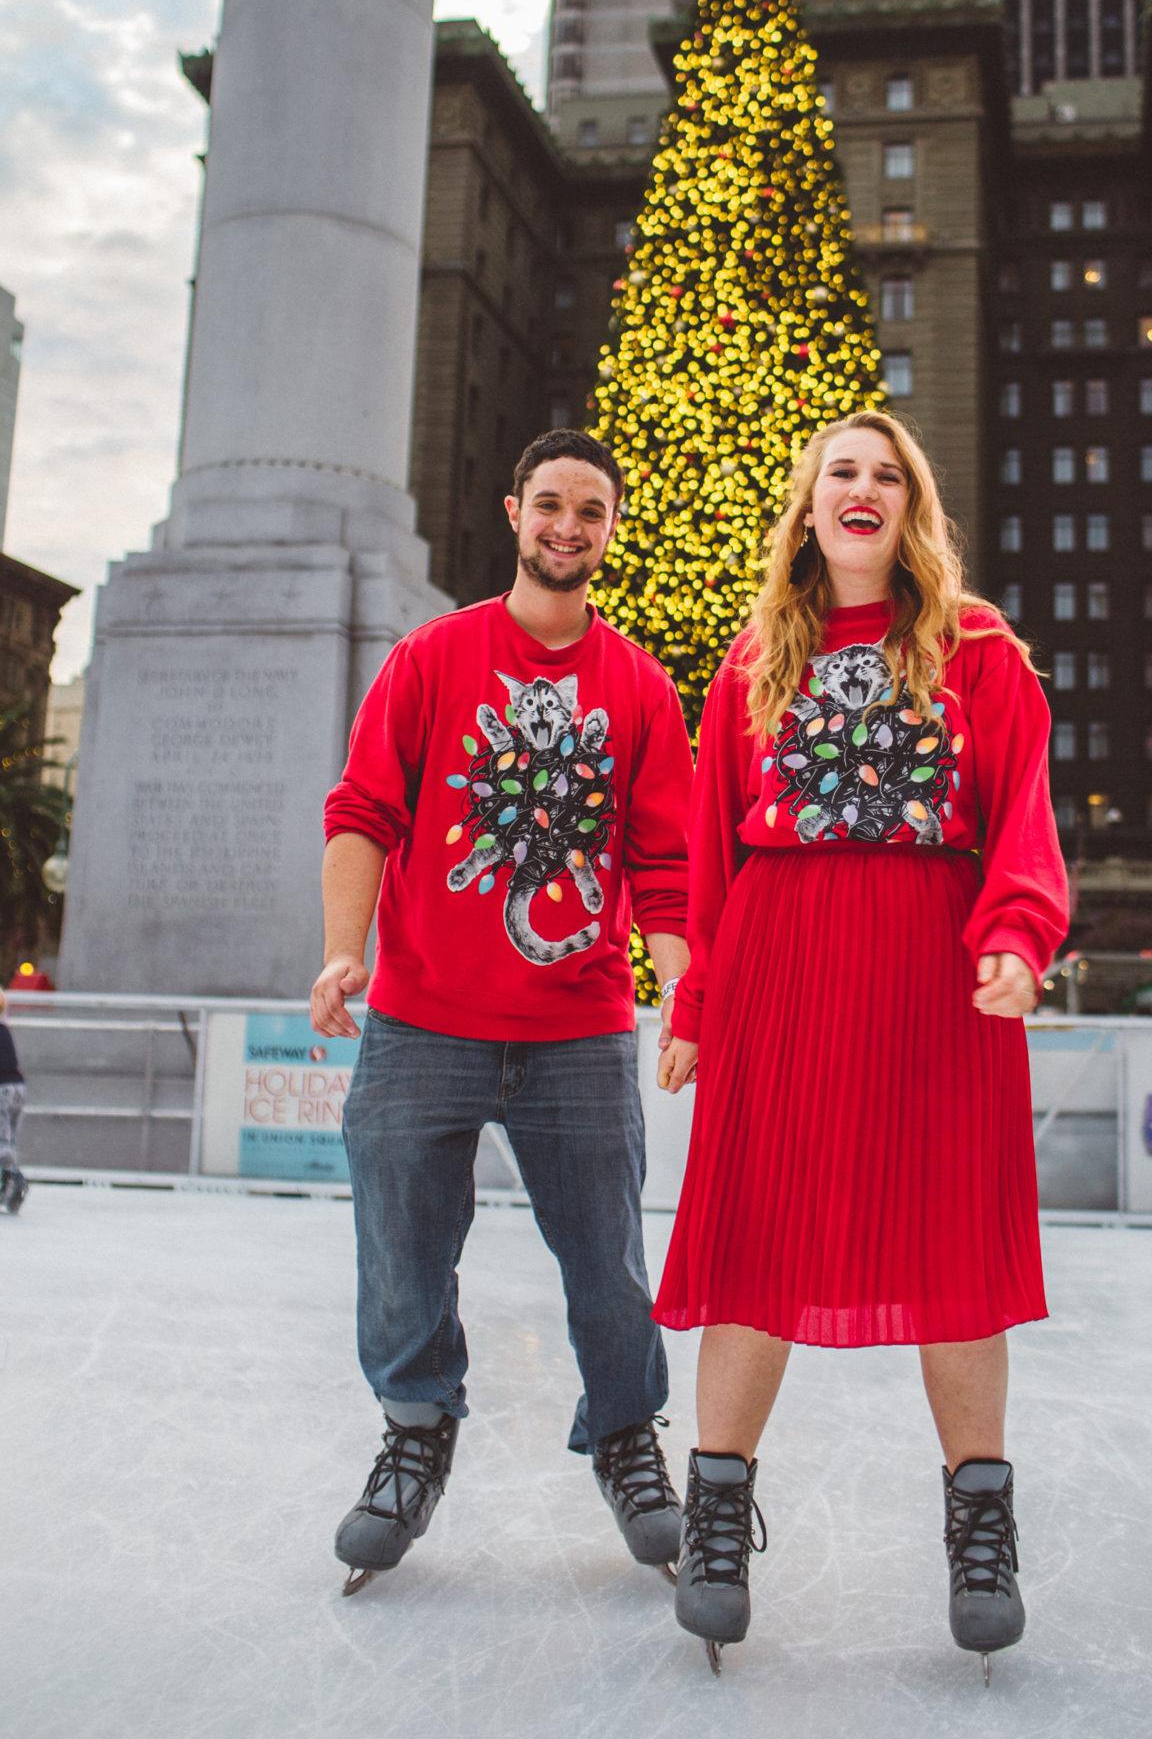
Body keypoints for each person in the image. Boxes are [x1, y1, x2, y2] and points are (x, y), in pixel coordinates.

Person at [653, 411, 1068, 1678]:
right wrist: (698, 1002)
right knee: (758, 1233)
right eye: (845, 469)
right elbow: (708, 854)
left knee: (952, 1238)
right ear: (811, 500)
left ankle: (980, 1524)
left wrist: (1015, 935)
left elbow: (1023, 821)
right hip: (783, 972)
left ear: (911, 508)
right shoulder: (746, 667)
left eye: (890, 475)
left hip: (935, 980)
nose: (865, 487)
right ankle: (716, 1514)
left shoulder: (978, 649)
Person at [312, 429, 694, 1595]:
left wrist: (683, 988)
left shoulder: (636, 686)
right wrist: (342, 952)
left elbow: (667, 865)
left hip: (576, 1031)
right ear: (513, 512)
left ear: (611, 529)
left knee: (609, 1269)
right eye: (550, 506)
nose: (567, 527)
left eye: (591, 510)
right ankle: (416, 1428)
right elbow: (364, 809)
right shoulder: (433, 660)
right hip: (424, 1022)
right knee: (402, 1248)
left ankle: (627, 1437)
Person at [0, 988, 28, 1215]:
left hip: (2, 1089)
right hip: (18, 1088)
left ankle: (12, 1179)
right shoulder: (5, 1030)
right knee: (9, 1139)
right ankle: (8, 1179)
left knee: (2, 1141)